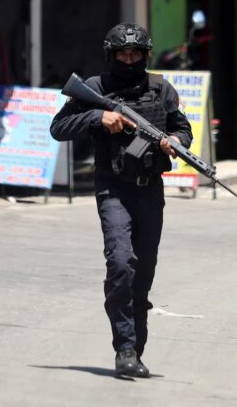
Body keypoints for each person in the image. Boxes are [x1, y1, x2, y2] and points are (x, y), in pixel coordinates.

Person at [50, 24, 193, 378]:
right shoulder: (96, 88)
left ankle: (135, 350)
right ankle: (125, 348)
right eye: (122, 55)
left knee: (142, 274)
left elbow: (183, 129)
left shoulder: (161, 88)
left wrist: (175, 141)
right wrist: (98, 117)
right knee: (120, 264)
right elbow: (58, 128)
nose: (129, 60)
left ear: (145, 55)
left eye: (135, 54)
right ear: (111, 56)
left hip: (150, 190)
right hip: (113, 188)